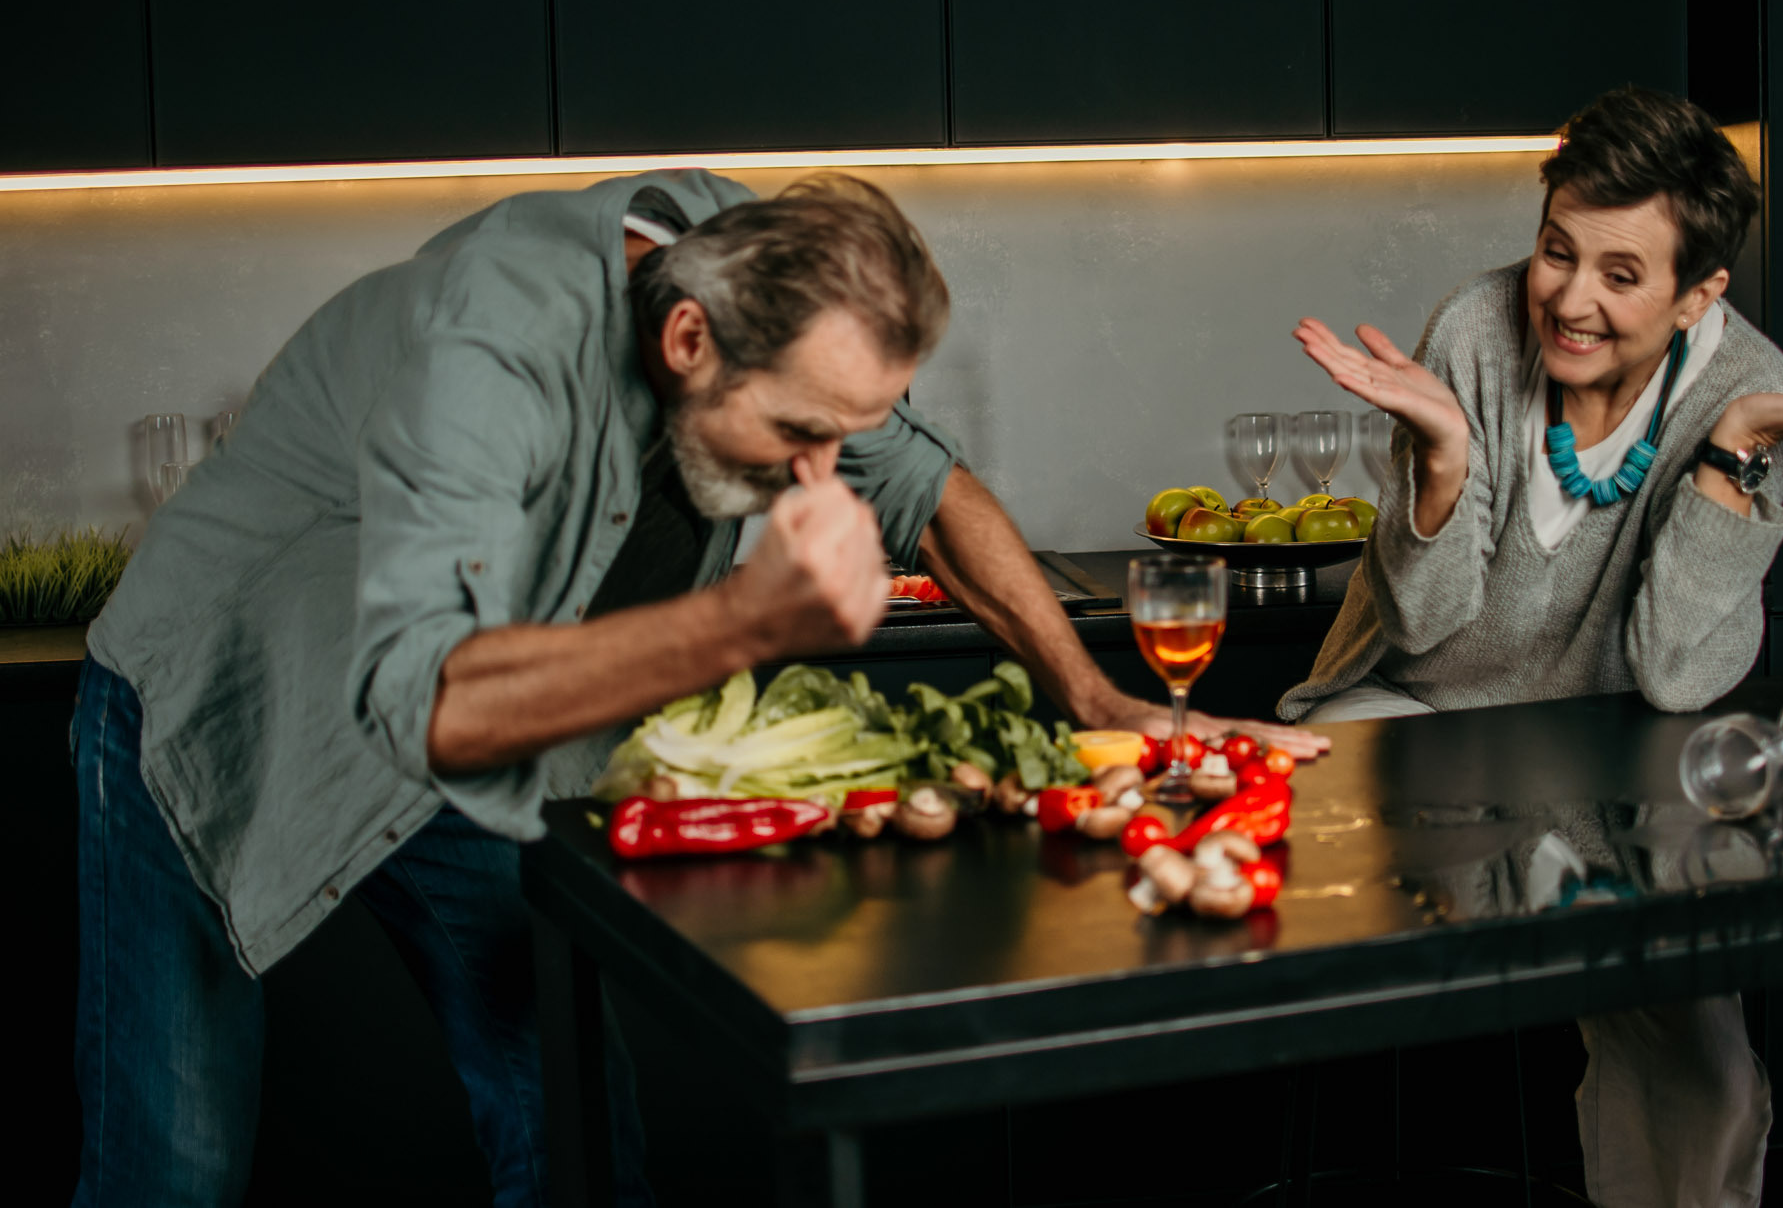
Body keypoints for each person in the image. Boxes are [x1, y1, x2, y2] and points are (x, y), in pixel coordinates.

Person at [73, 169, 1327, 1207]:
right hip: (226, 708)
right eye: (799, 436)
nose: (824, 475)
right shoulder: (491, 351)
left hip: (478, 742)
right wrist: (747, 616)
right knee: (173, 1172)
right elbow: (431, 697)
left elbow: (924, 491)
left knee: (574, 1135)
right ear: (685, 342)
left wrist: (1096, 700)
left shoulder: (753, 278)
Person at [1277, 88, 1783, 1207]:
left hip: (1611, 746)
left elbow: (1678, 674)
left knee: (1704, 1065)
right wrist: (1442, 457)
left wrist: (1728, 456)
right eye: (1556, 252)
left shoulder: (1749, 386)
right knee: (1295, 907)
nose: (1570, 300)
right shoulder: (1474, 329)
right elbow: (1423, 627)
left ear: (1697, 295)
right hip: (1416, 712)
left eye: (1620, 276)